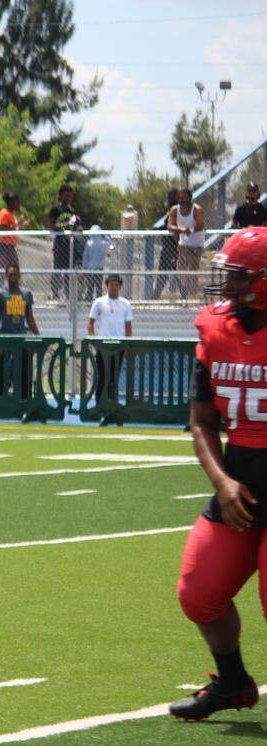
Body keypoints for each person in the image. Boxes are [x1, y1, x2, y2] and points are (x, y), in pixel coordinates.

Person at [169, 227, 267, 720]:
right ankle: (232, 683)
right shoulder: (214, 327)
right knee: (199, 592)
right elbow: (203, 420)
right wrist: (222, 482)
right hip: (243, 480)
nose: (225, 284)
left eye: (237, 275)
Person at [0, 264, 40, 400]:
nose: (13, 277)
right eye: (10, 274)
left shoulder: (26, 294)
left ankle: (23, 398)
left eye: (15, 274)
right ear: (6, 276)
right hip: (4, 337)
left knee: (23, 368)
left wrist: (37, 336)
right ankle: (0, 397)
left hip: (21, 338)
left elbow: (29, 318)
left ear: (19, 276)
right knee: (2, 369)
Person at [87, 274, 134, 402]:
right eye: (111, 285)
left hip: (119, 346)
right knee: (101, 376)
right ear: (107, 286)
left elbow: (128, 327)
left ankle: (112, 406)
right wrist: (94, 341)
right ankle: (99, 406)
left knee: (114, 377)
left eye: (116, 285)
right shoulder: (99, 302)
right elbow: (90, 324)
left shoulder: (125, 304)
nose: (114, 287)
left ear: (119, 287)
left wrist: (127, 346)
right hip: (103, 346)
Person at [168, 188, 205, 302]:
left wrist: (191, 230)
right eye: (180, 198)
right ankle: (184, 296)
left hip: (196, 245)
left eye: (185, 198)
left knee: (192, 272)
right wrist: (182, 230)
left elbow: (200, 225)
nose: (182, 200)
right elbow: (170, 226)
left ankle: (192, 296)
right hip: (183, 244)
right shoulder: (174, 210)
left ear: (190, 198)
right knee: (180, 272)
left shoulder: (197, 209)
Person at [49, 184, 82, 301]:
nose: (69, 198)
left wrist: (77, 228)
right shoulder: (56, 209)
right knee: (57, 270)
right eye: (66, 196)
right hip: (59, 245)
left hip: (70, 245)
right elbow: (52, 226)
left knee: (69, 272)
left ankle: (69, 295)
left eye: (70, 196)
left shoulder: (71, 210)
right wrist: (64, 226)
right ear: (60, 195)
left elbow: (75, 225)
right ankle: (54, 294)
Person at [152, 188, 181, 300]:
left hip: (173, 248)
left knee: (178, 275)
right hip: (168, 247)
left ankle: (186, 298)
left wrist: (156, 230)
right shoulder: (172, 210)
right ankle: (154, 298)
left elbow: (170, 226)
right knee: (163, 275)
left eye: (170, 197)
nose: (168, 200)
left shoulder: (177, 210)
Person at [0, 192, 29, 271]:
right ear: (11, 202)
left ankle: (13, 283)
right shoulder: (4, 213)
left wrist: (21, 226)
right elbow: (2, 229)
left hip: (10, 246)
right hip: (3, 246)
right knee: (3, 272)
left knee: (14, 270)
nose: (19, 204)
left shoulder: (12, 214)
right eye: (17, 202)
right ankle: (1, 284)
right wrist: (17, 224)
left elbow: (13, 229)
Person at [81, 225, 110, 300]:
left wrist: (84, 267)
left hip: (90, 268)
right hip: (99, 267)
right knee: (98, 286)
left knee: (90, 285)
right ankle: (98, 300)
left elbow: (85, 256)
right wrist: (105, 236)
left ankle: (88, 300)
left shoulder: (89, 243)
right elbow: (109, 242)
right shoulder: (103, 243)